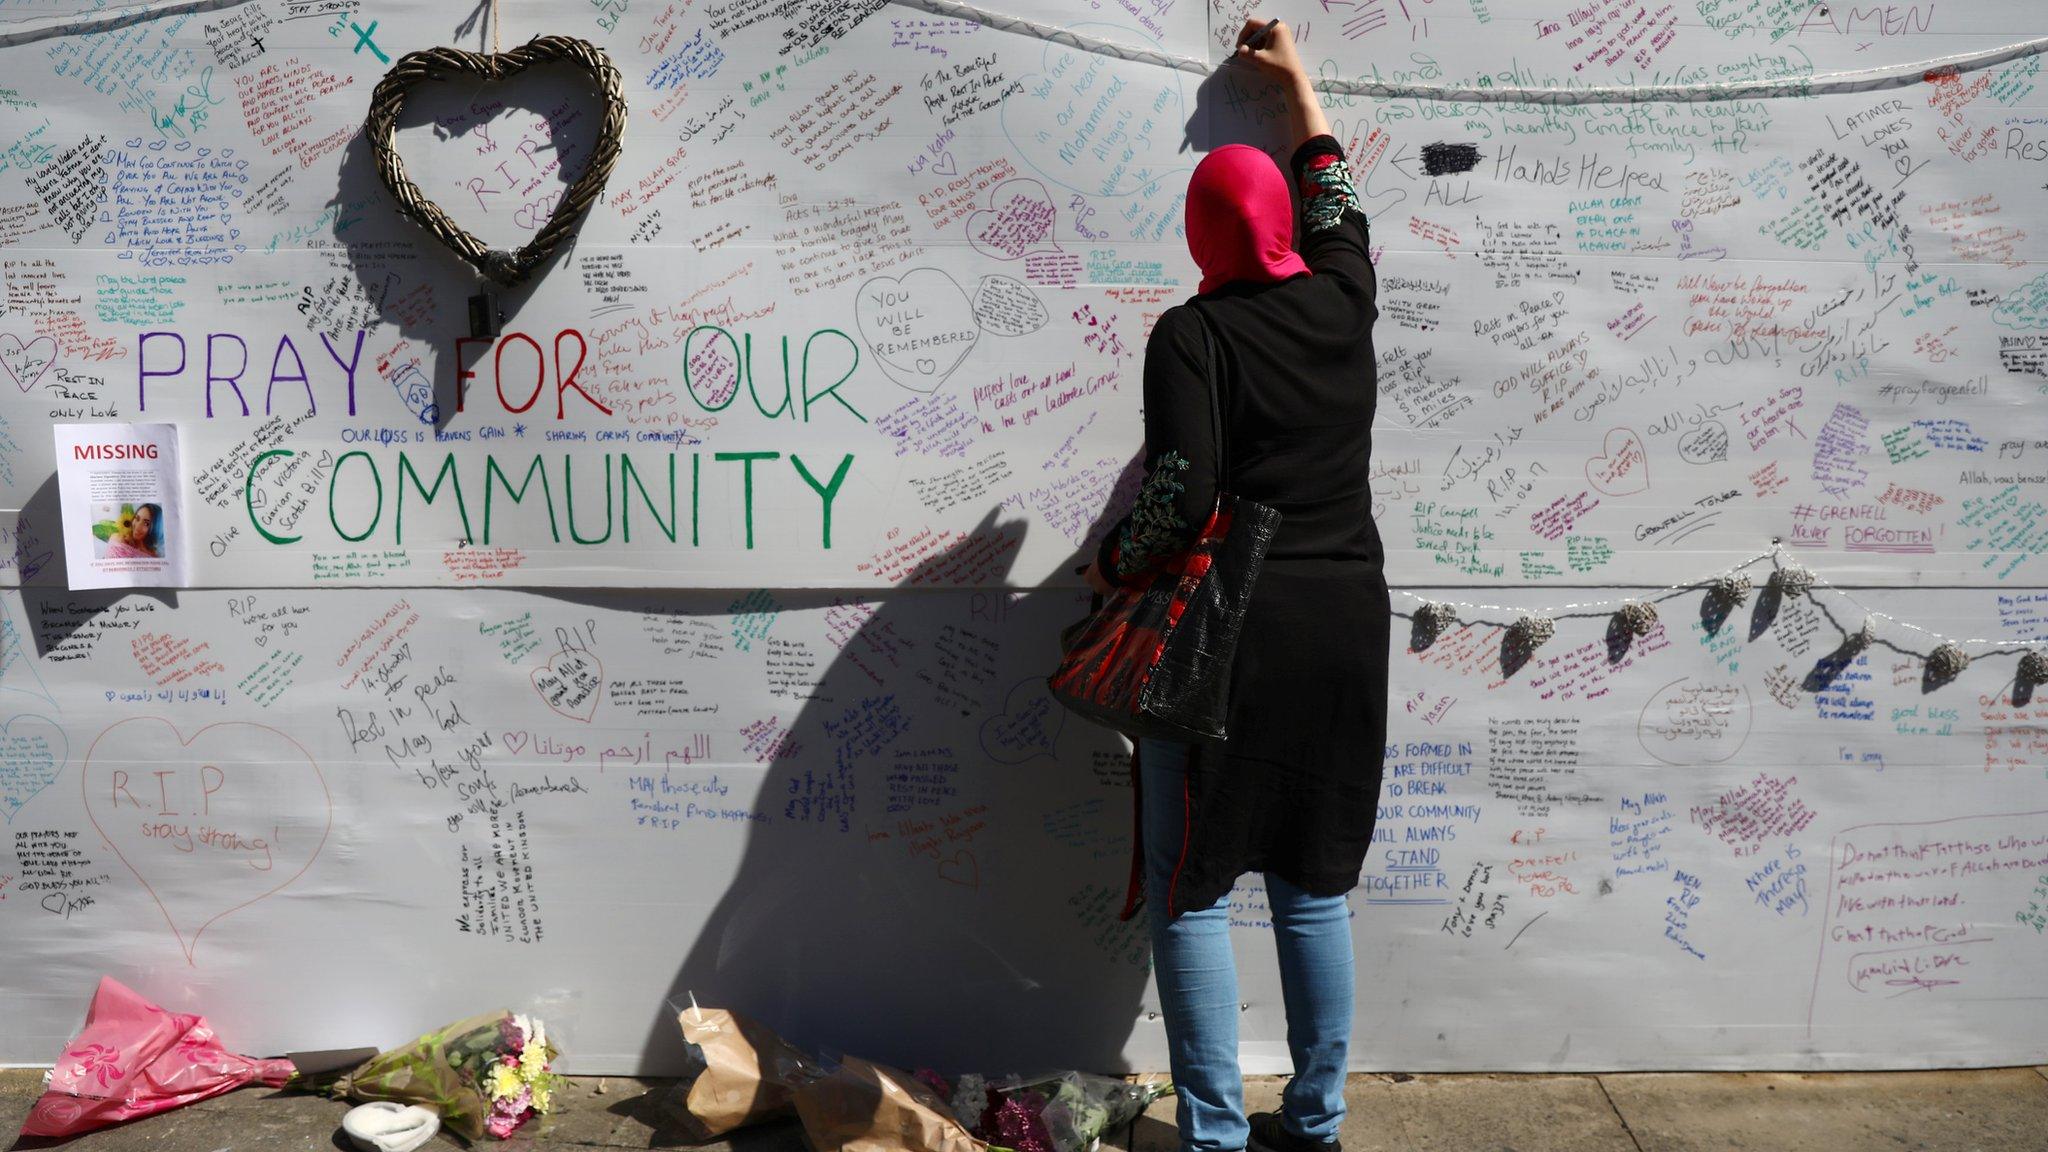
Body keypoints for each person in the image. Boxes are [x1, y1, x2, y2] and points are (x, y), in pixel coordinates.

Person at [1082, 19, 1387, 1152]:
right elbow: (1334, 195)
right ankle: (1310, 1127)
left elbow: (1182, 489)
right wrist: (1298, 83)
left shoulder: (1190, 333)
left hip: (1231, 636)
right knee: (1312, 881)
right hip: (1346, 622)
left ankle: (1213, 1138)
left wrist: (1112, 563)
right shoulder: (1343, 299)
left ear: (1203, 233)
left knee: (1193, 886)